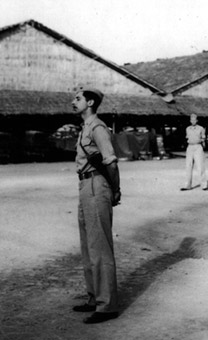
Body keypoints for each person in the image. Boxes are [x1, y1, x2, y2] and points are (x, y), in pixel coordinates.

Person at [71, 88, 121, 323]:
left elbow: (110, 161)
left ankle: (107, 305)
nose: (74, 102)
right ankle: (94, 297)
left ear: (90, 102)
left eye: (78, 99)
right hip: (84, 186)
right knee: (88, 245)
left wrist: (116, 189)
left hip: (97, 185)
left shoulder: (98, 127)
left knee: (99, 245)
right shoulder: (86, 127)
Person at [181, 113, 208, 191]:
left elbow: (203, 138)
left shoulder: (201, 128)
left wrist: (202, 143)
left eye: (194, 119)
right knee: (188, 166)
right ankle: (187, 185)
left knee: (200, 166)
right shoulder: (187, 128)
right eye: (191, 119)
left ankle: (204, 185)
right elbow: (187, 138)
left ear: (197, 120)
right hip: (190, 147)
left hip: (198, 146)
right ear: (190, 120)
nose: (193, 121)